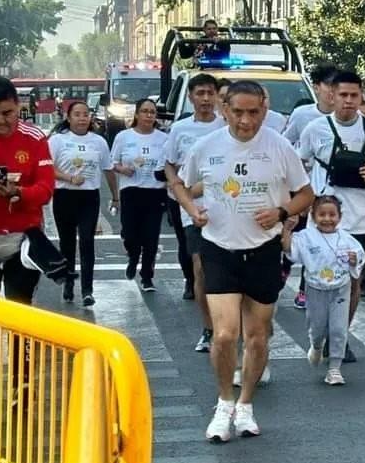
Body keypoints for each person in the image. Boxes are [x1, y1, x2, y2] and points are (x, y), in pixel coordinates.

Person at [177, 81, 314, 442]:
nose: (246, 120)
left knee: (256, 336)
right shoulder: (206, 147)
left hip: (263, 251)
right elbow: (176, 182)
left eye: (254, 112)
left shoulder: (279, 146)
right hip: (219, 249)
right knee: (224, 335)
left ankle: (246, 405)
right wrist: (192, 209)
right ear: (225, 109)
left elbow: (307, 193)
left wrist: (282, 211)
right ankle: (224, 403)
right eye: (238, 112)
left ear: (264, 111)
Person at [298, 70, 365, 363]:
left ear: (361, 96)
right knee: (321, 282)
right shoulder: (315, 129)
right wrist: (302, 202)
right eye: (343, 95)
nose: (349, 101)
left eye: (354, 95)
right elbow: (297, 166)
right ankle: (321, 331)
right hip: (325, 220)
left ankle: (338, 336)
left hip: (362, 219)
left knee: (352, 282)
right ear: (332, 95)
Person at [164, 74, 225, 351]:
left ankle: (230, 323)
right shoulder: (180, 129)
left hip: (227, 209)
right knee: (200, 268)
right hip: (193, 211)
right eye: (199, 93)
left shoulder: (227, 125)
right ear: (190, 97)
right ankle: (209, 328)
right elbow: (169, 165)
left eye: (210, 93)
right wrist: (179, 189)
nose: (205, 99)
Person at [281, 196, 365, 386]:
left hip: (340, 288)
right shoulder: (305, 237)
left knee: (338, 328)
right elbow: (289, 249)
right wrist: (286, 229)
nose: (327, 219)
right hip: (315, 288)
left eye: (332, 215)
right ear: (313, 216)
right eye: (322, 215)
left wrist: (354, 260)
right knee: (317, 327)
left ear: (340, 217)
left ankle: (335, 368)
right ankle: (316, 345)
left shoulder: (347, 239)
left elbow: (359, 256)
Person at [0, 77, 54, 304]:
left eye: (7, 113)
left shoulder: (34, 138)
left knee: (20, 312)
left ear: (18, 106)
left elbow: (46, 190)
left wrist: (17, 192)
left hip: (22, 239)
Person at [49, 100, 117, 307]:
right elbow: (46, 168)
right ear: (68, 118)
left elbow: (108, 169)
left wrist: (115, 196)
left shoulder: (99, 142)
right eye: (77, 114)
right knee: (67, 243)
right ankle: (68, 282)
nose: (82, 118)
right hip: (64, 196)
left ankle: (87, 289)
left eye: (85, 114)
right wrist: (68, 178)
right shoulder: (57, 141)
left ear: (90, 118)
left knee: (87, 241)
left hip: (89, 198)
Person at [283, 63, 339, 310]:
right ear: (317, 88)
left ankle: (306, 288)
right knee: (297, 234)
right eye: (329, 86)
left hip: (331, 192)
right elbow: (285, 145)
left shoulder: (349, 117)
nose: (333, 91)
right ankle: (284, 267)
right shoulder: (303, 115)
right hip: (302, 188)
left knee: (319, 238)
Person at [110, 98, 168, 292]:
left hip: (154, 191)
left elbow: (169, 164)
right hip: (131, 190)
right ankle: (133, 256)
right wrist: (123, 169)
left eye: (152, 112)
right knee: (129, 233)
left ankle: (147, 277)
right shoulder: (124, 137)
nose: (149, 115)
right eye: (144, 111)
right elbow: (112, 163)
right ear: (136, 114)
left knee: (151, 236)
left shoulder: (163, 138)